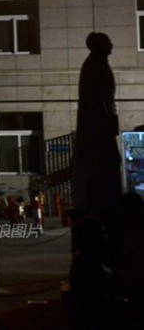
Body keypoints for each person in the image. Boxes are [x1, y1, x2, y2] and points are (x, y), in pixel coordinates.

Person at [71, 32, 123, 221]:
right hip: (98, 129)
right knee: (107, 166)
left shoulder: (97, 64)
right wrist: (109, 125)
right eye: (108, 41)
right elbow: (102, 100)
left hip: (99, 127)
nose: (112, 44)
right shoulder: (96, 66)